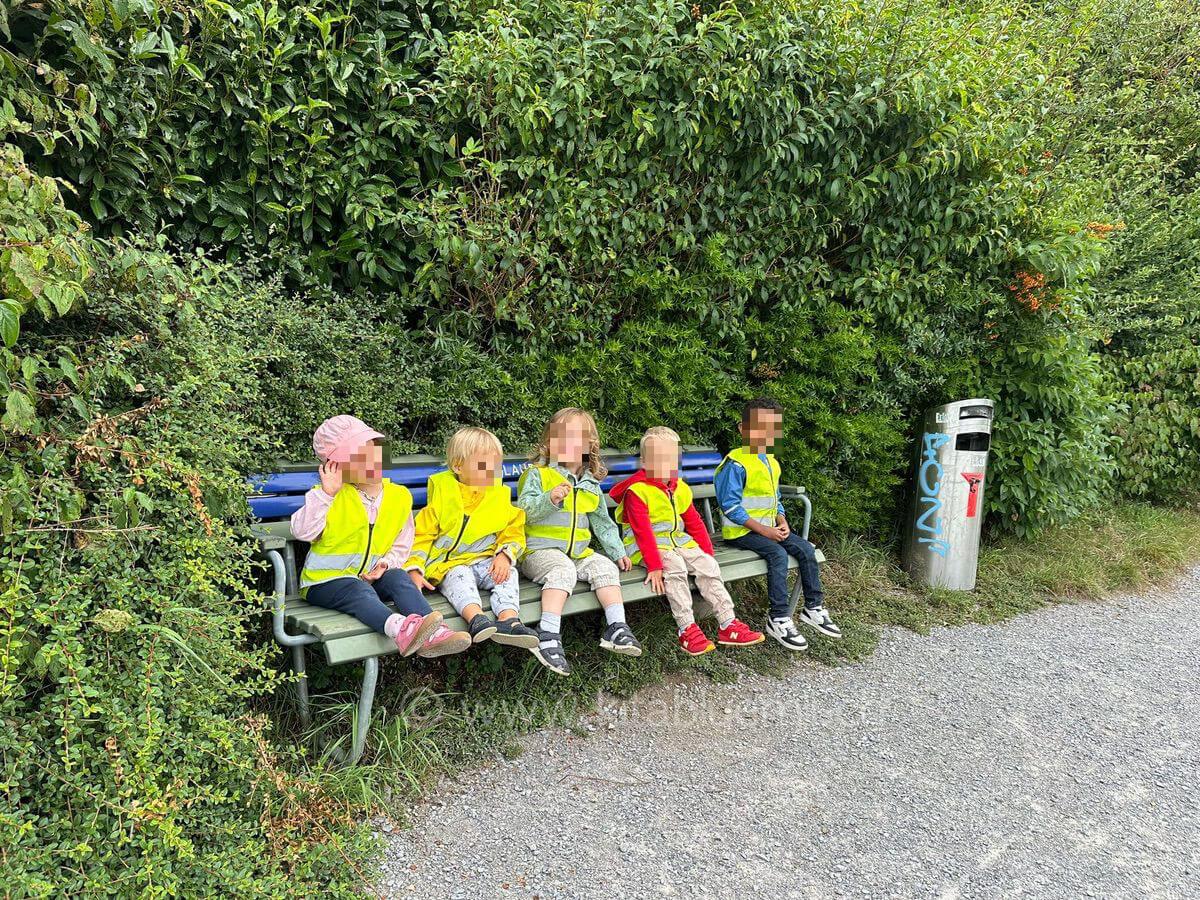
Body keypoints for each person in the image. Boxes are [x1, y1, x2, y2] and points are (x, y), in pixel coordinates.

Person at [292, 415, 470, 658]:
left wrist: (385, 564)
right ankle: (402, 631)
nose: (370, 461)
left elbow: (402, 544)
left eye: (372, 451)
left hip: (370, 579)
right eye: (356, 458)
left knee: (398, 576)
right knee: (357, 589)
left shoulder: (399, 496)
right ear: (336, 466)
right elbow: (302, 531)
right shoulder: (328, 496)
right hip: (323, 583)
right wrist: (326, 493)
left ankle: (434, 634)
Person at [609, 426, 764, 656]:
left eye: (669, 459)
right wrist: (654, 566)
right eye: (657, 459)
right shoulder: (637, 492)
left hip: (678, 542)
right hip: (644, 548)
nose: (664, 465)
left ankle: (727, 624)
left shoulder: (679, 487)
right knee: (675, 566)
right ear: (644, 462)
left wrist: (707, 553)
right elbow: (643, 533)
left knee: (707, 565)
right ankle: (687, 628)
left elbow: (694, 522)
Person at [517, 408, 642, 676]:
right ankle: (547, 633)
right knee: (564, 570)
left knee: (605, 568)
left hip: (578, 552)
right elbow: (524, 512)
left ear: (589, 446)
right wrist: (549, 499)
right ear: (548, 443)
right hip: (538, 553)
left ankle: (616, 628)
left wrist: (617, 550)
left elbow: (603, 523)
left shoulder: (590, 484)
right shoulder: (537, 475)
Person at [714, 397, 842, 651]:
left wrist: (782, 522)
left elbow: (775, 500)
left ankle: (813, 608)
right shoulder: (736, 463)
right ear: (743, 429)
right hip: (741, 532)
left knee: (806, 549)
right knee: (777, 554)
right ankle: (779, 617)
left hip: (769, 529)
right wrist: (765, 531)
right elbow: (729, 506)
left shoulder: (771, 462)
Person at [405, 427, 540, 652]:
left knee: (509, 573)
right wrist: (414, 569)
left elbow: (513, 529)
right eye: (482, 465)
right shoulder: (443, 497)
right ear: (458, 466)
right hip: (449, 565)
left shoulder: (498, 496)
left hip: (485, 560)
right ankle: (476, 619)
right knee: (460, 575)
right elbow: (421, 536)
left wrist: (505, 555)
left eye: (495, 466)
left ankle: (509, 619)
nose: (491, 472)